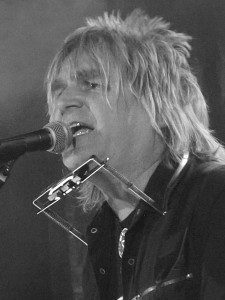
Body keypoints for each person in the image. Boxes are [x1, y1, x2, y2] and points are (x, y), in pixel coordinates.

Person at [46, 9, 225, 300]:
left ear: (159, 103)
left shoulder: (216, 197)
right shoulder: (102, 235)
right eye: (58, 92)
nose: (64, 102)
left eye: (91, 84)